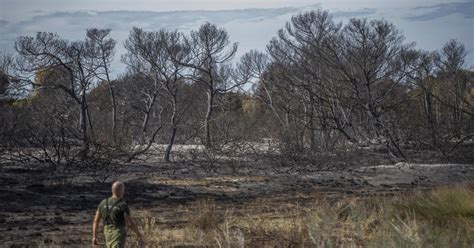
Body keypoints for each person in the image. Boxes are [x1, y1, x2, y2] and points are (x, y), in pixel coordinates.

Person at [92, 181, 144, 247]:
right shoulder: (122, 204)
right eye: (123, 190)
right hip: (118, 234)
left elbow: (96, 221)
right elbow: (130, 223)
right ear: (120, 191)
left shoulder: (103, 202)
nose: (124, 192)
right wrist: (138, 234)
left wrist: (94, 237)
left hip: (107, 233)